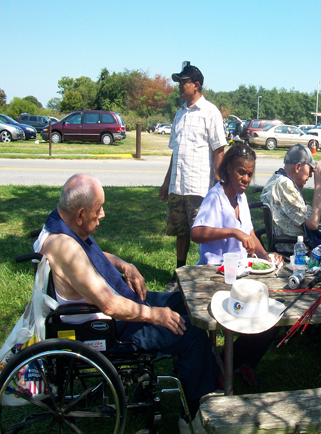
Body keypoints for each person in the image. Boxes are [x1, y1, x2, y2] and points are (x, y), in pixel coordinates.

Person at [36, 174, 217, 434]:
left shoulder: (61, 225)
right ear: (81, 214)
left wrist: (124, 264)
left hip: (111, 313)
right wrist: (154, 315)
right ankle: (193, 415)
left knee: (182, 301)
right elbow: (110, 305)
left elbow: (92, 254)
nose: (103, 214)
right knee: (193, 333)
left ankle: (194, 375)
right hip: (105, 328)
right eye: (98, 209)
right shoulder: (65, 248)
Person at [191, 145, 283, 386]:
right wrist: (232, 231)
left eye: (250, 174)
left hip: (240, 273)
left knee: (274, 315)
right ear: (229, 169)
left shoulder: (241, 198)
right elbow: (196, 233)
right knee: (249, 314)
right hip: (214, 274)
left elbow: (249, 232)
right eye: (241, 172)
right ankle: (224, 367)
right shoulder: (216, 197)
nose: (246, 178)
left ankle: (236, 363)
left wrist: (266, 256)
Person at [159, 62, 226, 277]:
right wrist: (166, 182)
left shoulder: (210, 112)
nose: (179, 85)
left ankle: (206, 273)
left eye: (183, 82)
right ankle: (179, 273)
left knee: (203, 233)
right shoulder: (180, 113)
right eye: (179, 82)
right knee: (181, 231)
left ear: (196, 85)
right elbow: (175, 151)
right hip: (178, 185)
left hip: (199, 187)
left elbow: (219, 149)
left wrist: (217, 181)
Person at [260, 143, 321, 254]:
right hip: (299, 245)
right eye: (310, 169)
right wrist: (319, 186)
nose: (311, 175)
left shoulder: (276, 178)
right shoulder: (285, 185)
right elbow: (313, 223)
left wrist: (300, 184)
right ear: (298, 167)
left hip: (296, 234)